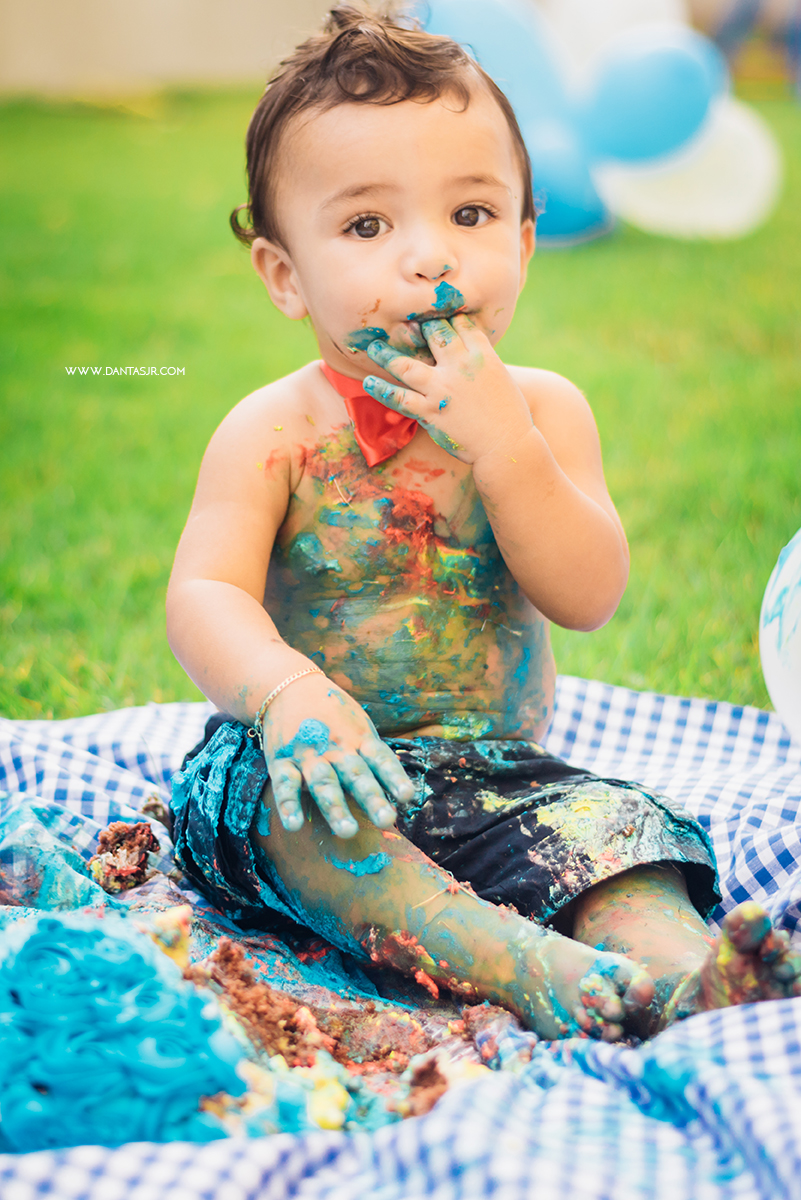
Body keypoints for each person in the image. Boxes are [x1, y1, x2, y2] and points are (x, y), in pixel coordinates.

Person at [167, 3, 800, 1041]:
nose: (429, 259)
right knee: (294, 816)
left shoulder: (544, 413)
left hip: (495, 781)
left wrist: (507, 451)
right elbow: (203, 596)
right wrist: (287, 697)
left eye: (470, 215)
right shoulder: (274, 432)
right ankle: (518, 961)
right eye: (369, 226)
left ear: (525, 236)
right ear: (286, 275)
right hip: (322, 766)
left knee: (616, 830)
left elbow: (587, 596)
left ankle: (689, 972)